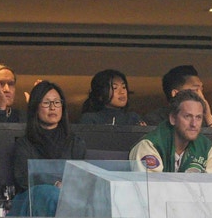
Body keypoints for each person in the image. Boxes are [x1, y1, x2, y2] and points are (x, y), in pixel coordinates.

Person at [8, 81, 86, 216]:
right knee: (50, 194)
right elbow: (23, 178)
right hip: (33, 199)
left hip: (69, 198)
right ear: (35, 107)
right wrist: (54, 183)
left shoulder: (75, 143)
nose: (52, 107)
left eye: (57, 102)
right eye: (46, 102)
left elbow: (81, 178)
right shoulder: (24, 143)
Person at [129, 90, 212, 173]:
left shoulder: (207, 148)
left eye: (198, 117)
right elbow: (152, 188)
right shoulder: (149, 145)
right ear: (173, 118)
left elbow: (210, 189)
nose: (194, 124)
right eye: (187, 116)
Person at [142, 65, 212, 127]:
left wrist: (208, 117)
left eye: (201, 89)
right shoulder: (153, 121)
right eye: (195, 90)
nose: (201, 96)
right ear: (175, 93)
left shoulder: (201, 120)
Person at [79, 69, 145, 125]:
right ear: (100, 94)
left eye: (124, 87)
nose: (122, 92)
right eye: (115, 88)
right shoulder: (90, 119)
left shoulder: (133, 118)